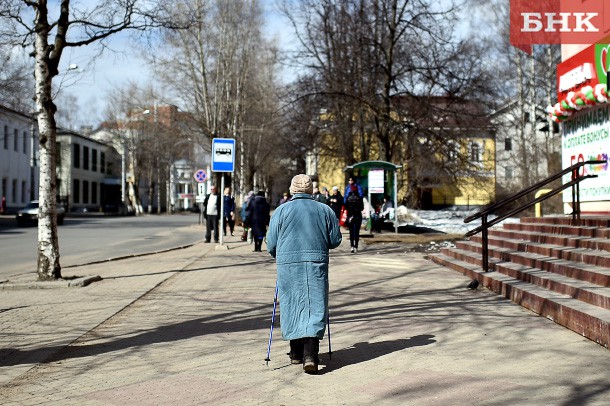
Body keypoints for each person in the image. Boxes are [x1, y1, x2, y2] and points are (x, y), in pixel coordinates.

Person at [266, 174, 342, 374]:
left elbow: (271, 244)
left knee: (292, 303)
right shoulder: (325, 210)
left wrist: (279, 254)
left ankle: (296, 353)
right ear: (310, 190)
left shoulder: (281, 211)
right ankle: (311, 354)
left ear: (292, 190)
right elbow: (335, 240)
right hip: (316, 262)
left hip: (288, 264)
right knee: (314, 304)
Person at [345, 185, 364, 253]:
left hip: (350, 216)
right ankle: (356, 246)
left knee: (351, 232)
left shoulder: (348, 198)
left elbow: (346, 207)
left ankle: (352, 246)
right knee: (357, 232)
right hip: (358, 216)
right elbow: (362, 208)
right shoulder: (359, 198)